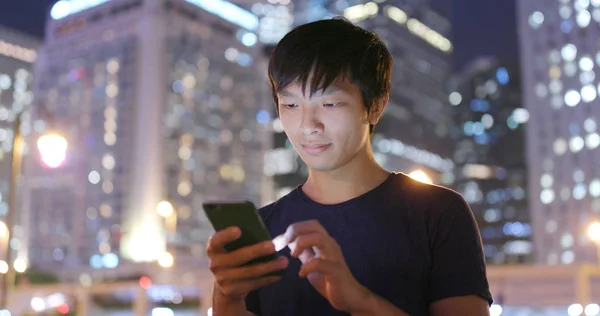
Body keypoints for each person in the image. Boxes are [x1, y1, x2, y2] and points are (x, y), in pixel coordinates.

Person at [206, 18, 493, 316]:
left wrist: (359, 300)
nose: (308, 126)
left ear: (376, 105)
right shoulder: (264, 229)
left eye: (329, 104)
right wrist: (226, 297)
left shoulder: (438, 213)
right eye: (290, 105)